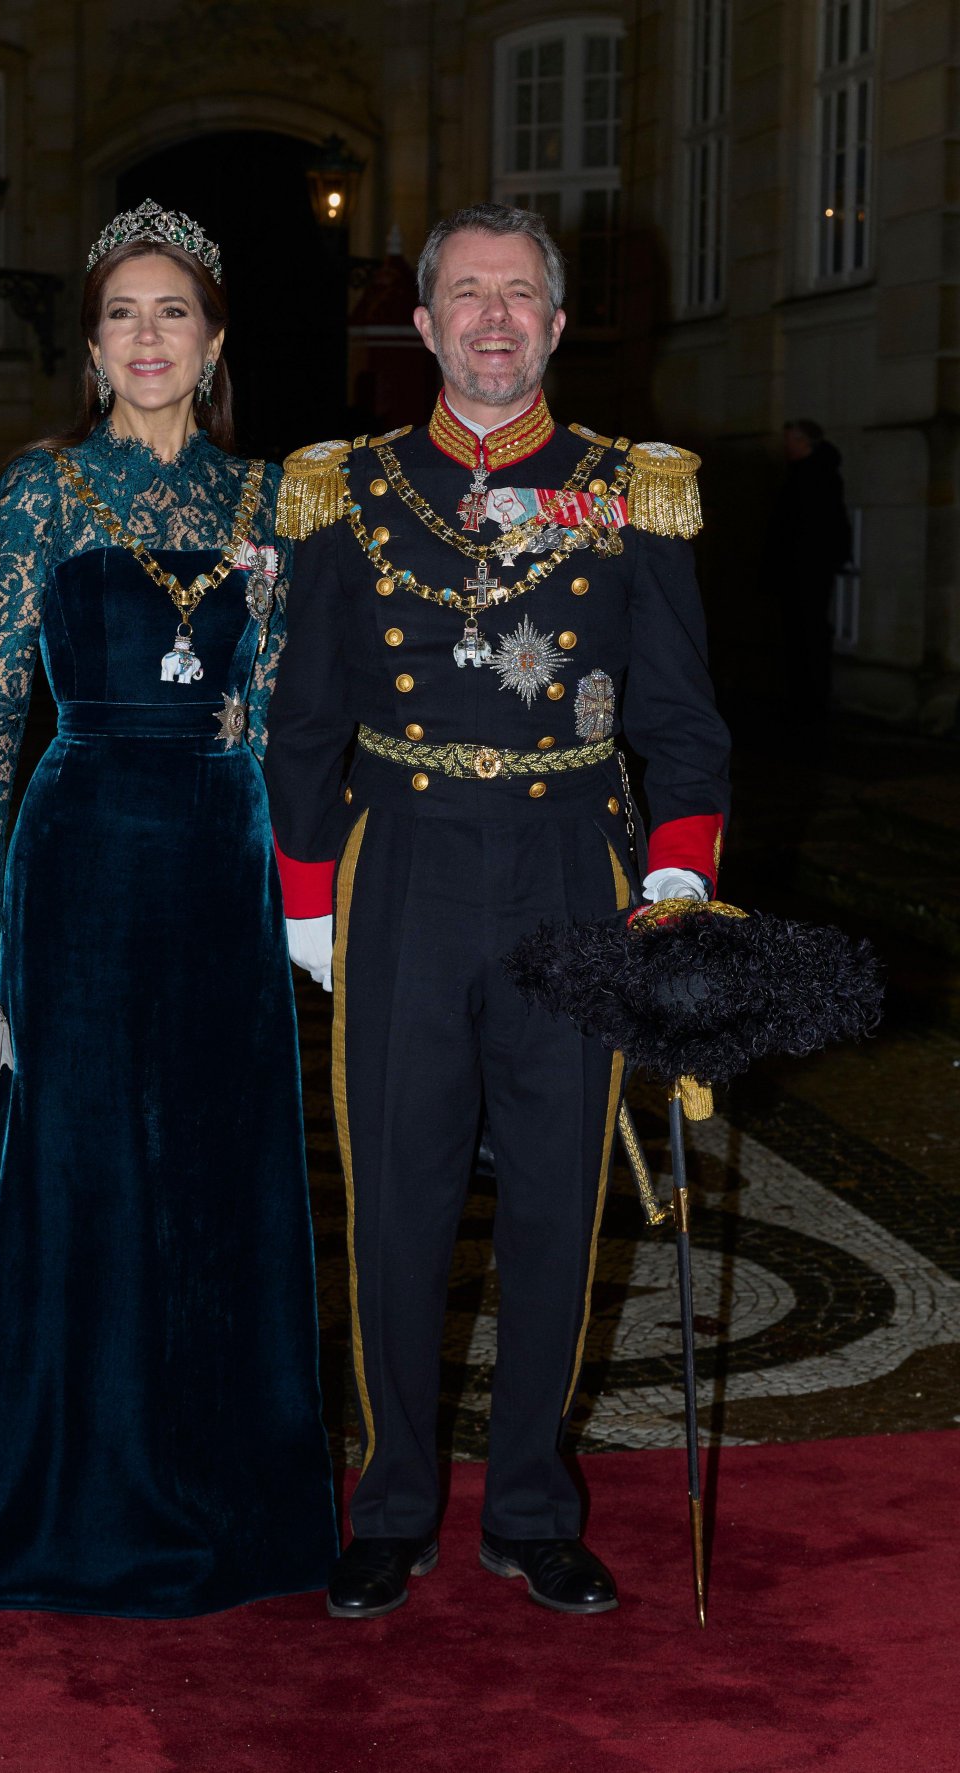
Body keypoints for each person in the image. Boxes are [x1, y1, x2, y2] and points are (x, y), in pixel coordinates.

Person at [0, 201, 337, 1617]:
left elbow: (279, 716)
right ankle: (69, 1487)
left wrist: (310, 891)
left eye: (172, 313)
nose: (148, 338)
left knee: (216, 1170)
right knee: (77, 1166)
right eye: (122, 314)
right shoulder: (42, 495)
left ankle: (223, 1490)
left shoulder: (271, 503)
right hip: (77, 861)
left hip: (225, 865)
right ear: (90, 343)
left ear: (214, 339)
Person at [265, 202, 730, 1620]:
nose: (491, 318)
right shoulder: (345, 490)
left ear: (557, 322)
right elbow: (301, 722)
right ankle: (394, 1499)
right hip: (396, 870)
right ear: (422, 324)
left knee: (553, 1202)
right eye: (465, 295)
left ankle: (530, 1505)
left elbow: (685, 726)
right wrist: (305, 905)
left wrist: (673, 884)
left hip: (568, 876)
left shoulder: (626, 490)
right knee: (396, 1203)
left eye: (517, 295)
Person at [764, 418, 853, 712]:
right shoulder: (803, 474)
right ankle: (803, 696)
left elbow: (815, 525)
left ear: (804, 442)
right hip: (800, 567)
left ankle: (810, 699)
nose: (786, 446)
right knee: (799, 632)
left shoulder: (816, 476)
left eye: (791, 440)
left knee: (808, 631)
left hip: (808, 568)